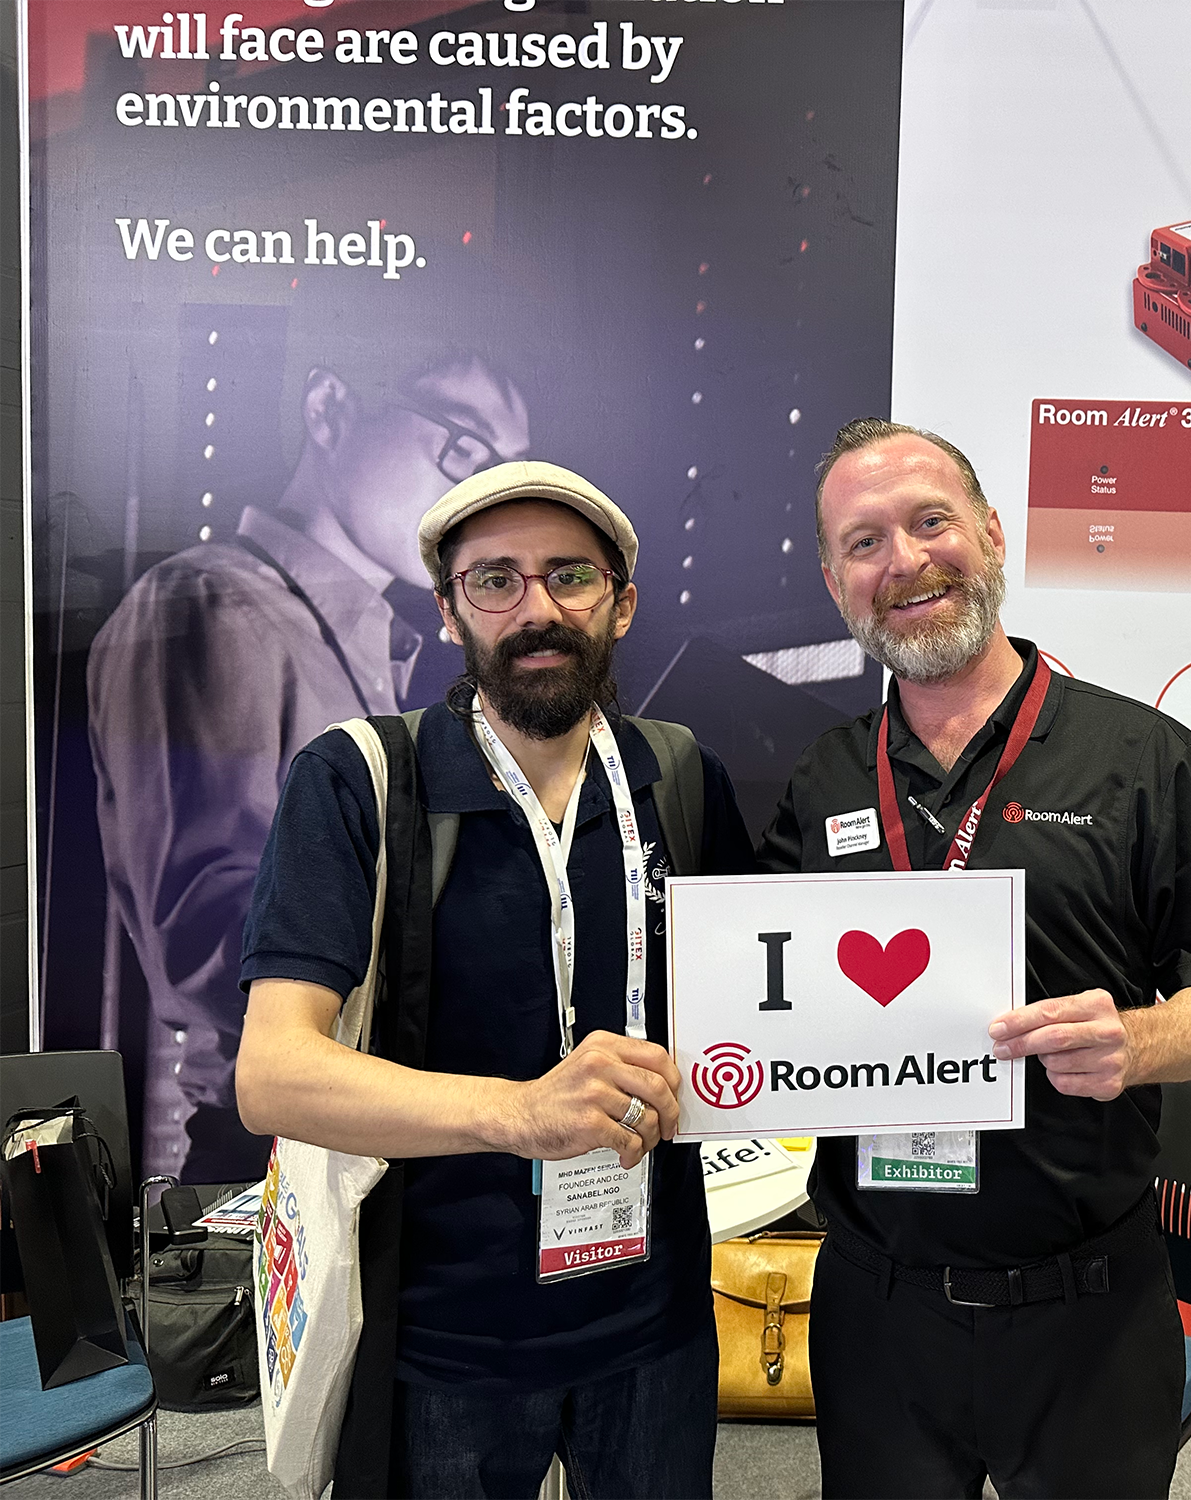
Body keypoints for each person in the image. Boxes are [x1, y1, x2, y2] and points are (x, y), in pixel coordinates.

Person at [758, 418, 1191, 1500]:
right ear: (833, 581)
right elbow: (767, 992)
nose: (903, 561)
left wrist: (1138, 1042)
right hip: (876, 1305)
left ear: (992, 535)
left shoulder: (1140, 758)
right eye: (864, 543)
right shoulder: (822, 777)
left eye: (930, 521)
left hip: (1086, 1309)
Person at [235, 462, 751, 1499]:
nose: (537, 609)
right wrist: (522, 1113)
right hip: (443, 1350)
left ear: (621, 603)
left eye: (571, 576)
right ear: (448, 608)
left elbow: (761, 1012)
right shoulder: (361, 780)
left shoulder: (681, 777)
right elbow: (273, 1075)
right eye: (495, 580)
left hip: (653, 1330)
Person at [87, 342, 531, 1183]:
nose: (481, 496)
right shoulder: (214, 603)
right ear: (330, 410)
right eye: (465, 446)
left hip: (377, 1132)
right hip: (277, 1148)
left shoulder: (375, 647)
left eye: (502, 473)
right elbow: (209, 936)